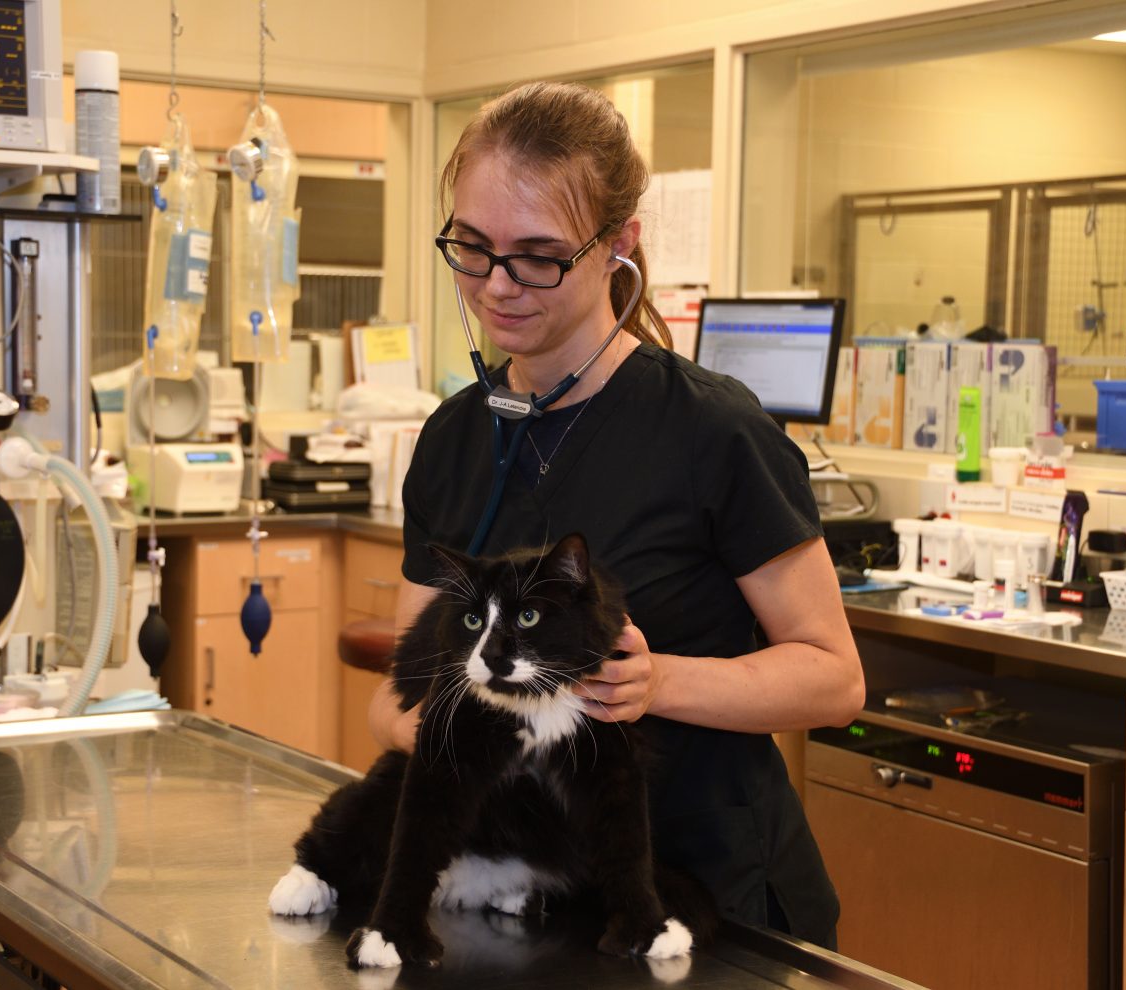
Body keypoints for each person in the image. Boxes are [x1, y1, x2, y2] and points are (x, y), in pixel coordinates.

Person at [367, 81, 864, 948]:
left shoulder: (713, 431)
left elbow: (833, 680)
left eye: (538, 256)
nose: (496, 285)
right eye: (472, 248)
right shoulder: (452, 439)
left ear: (618, 245)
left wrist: (656, 681)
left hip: (706, 894)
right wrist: (474, 760)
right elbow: (398, 696)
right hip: (526, 897)